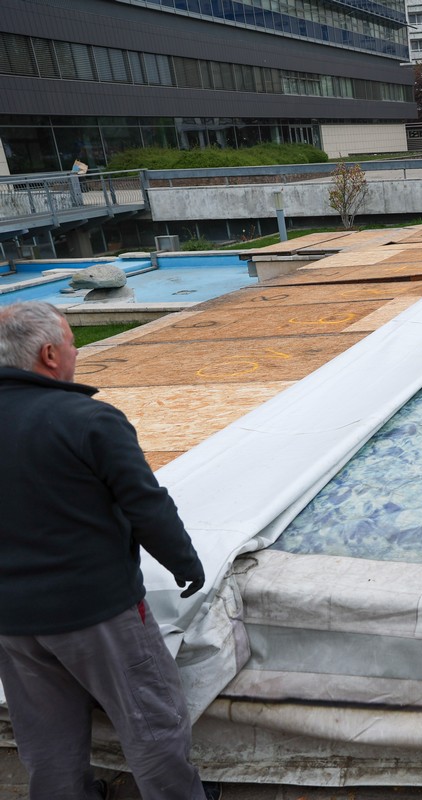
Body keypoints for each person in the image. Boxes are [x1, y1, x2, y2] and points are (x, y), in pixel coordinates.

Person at [0, 301, 218, 800]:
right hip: (95, 613)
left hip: (11, 621)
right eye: (73, 342)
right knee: (150, 721)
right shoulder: (88, 419)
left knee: (45, 729)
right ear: (51, 354)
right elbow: (146, 504)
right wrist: (184, 561)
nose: (77, 351)